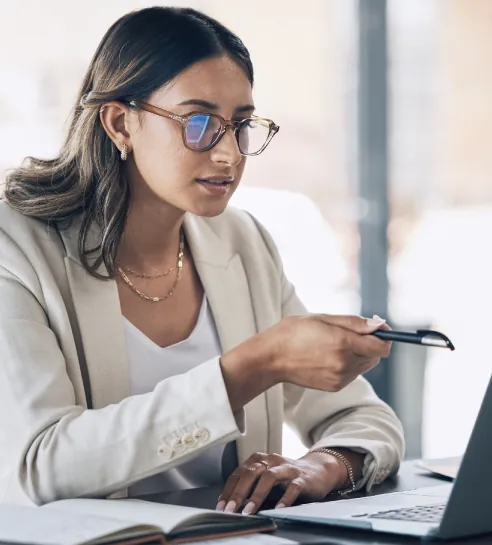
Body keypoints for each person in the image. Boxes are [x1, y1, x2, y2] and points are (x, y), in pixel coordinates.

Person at [0, 6, 404, 512]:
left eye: (239, 125)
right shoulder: (14, 247)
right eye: (198, 122)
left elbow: (365, 419)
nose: (228, 154)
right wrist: (249, 369)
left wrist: (322, 466)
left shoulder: (241, 242)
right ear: (120, 122)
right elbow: (42, 465)